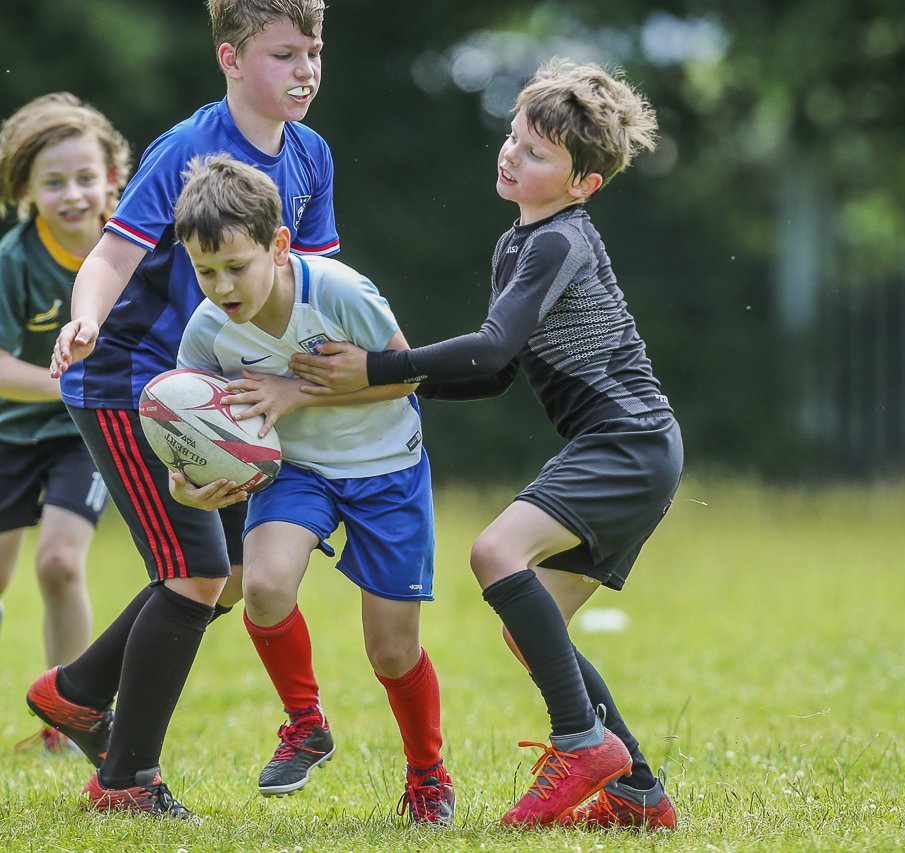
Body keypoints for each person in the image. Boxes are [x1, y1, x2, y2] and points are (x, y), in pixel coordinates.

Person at [290, 58, 683, 831]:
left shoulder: (558, 241)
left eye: (536, 152)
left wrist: (380, 367)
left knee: (496, 553)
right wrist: (395, 385)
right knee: (527, 628)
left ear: (583, 185)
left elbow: (493, 348)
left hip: (627, 442)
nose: (511, 154)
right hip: (633, 447)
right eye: (513, 137)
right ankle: (638, 789)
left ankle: (581, 743)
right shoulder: (519, 244)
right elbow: (497, 374)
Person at [29, 0, 337, 819]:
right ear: (230, 58)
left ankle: (73, 692)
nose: (305, 70)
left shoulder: (310, 156)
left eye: (314, 52)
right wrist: (84, 319)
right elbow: (110, 256)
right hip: (128, 382)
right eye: (284, 54)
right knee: (196, 573)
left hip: (213, 389)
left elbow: (314, 286)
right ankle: (126, 780)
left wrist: (324, 376)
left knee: (228, 572)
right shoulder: (186, 149)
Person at [167, 154, 455, 825]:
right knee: (264, 587)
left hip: (386, 468)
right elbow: (188, 425)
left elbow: (409, 375)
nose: (222, 286)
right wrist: (186, 484)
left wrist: (296, 391)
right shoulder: (207, 331)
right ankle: (305, 723)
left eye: (235, 266)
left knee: (391, 650)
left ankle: (427, 775)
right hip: (295, 470)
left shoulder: (339, 292)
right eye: (205, 271)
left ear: (279, 245)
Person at [0, 93, 130, 754]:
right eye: (55, 182)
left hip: (86, 437)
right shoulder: (17, 258)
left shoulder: (134, 249)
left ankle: (69, 715)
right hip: (14, 434)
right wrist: (65, 383)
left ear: (113, 176)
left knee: (58, 563)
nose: (73, 194)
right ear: (26, 189)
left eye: (85, 177)